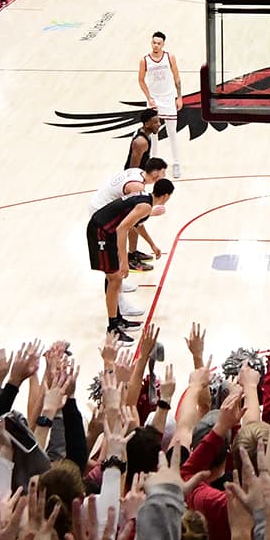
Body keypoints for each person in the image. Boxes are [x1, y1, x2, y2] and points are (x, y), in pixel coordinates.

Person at [89, 178, 174, 336]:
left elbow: (137, 225)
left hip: (106, 230)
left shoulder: (145, 200)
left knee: (115, 279)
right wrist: (124, 261)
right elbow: (122, 229)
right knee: (114, 278)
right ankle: (113, 327)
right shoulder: (145, 206)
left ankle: (117, 319)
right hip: (101, 231)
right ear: (166, 196)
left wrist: (152, 245)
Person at [135, 30, 184, 177]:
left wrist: (179, 97)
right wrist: (149, 97)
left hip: (169, 99)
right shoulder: (145, 60)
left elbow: (177, 77)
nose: (155, 45)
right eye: (153, 42)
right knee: (153, 135)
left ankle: (176, 163)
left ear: (163, 44)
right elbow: (141, 80)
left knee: (172, 133)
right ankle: (153, 164)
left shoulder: (170, 57)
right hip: (154, 100)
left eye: (158, 43)